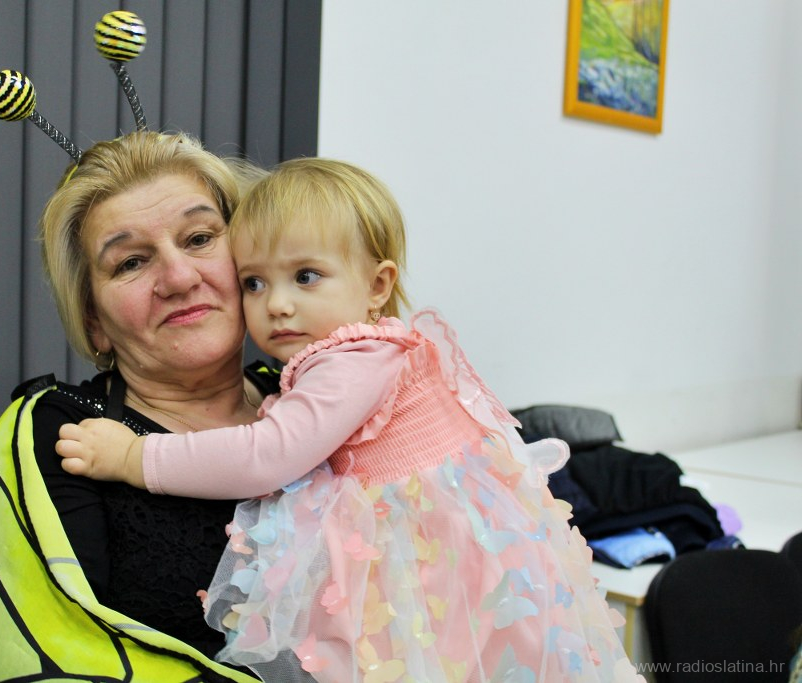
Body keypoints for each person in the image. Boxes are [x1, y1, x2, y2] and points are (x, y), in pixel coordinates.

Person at [57, 158, 645, 682]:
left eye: (305, 277)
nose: (277, 304)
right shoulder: (334, 362)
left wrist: (134, 456)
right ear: (93, 321)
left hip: (440, 580)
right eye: (255, 282)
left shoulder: (355, 360)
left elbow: (267, 455)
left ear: (378, 285)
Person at [0, 131, 277, 682]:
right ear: (94, 322)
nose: (179, 277)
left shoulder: (309, 393)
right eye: (131, 262)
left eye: (199, 238)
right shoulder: (63, 432)